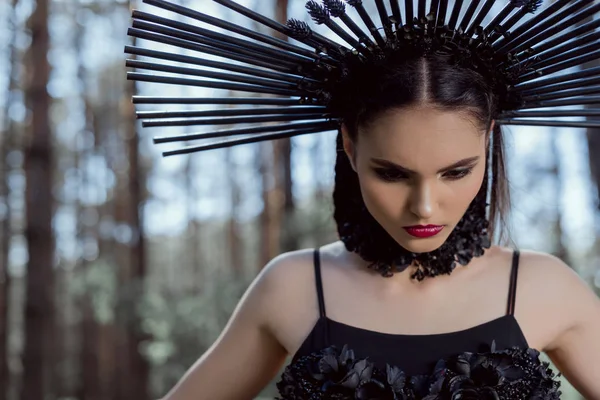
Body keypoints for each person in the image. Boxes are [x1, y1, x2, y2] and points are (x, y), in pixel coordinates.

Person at [126, 0, 600, 398]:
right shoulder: (293, 288)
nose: (425, 207)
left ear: (489, 141)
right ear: (349, 147)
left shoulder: (544, 288)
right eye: (391, 174)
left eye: (457, 172)